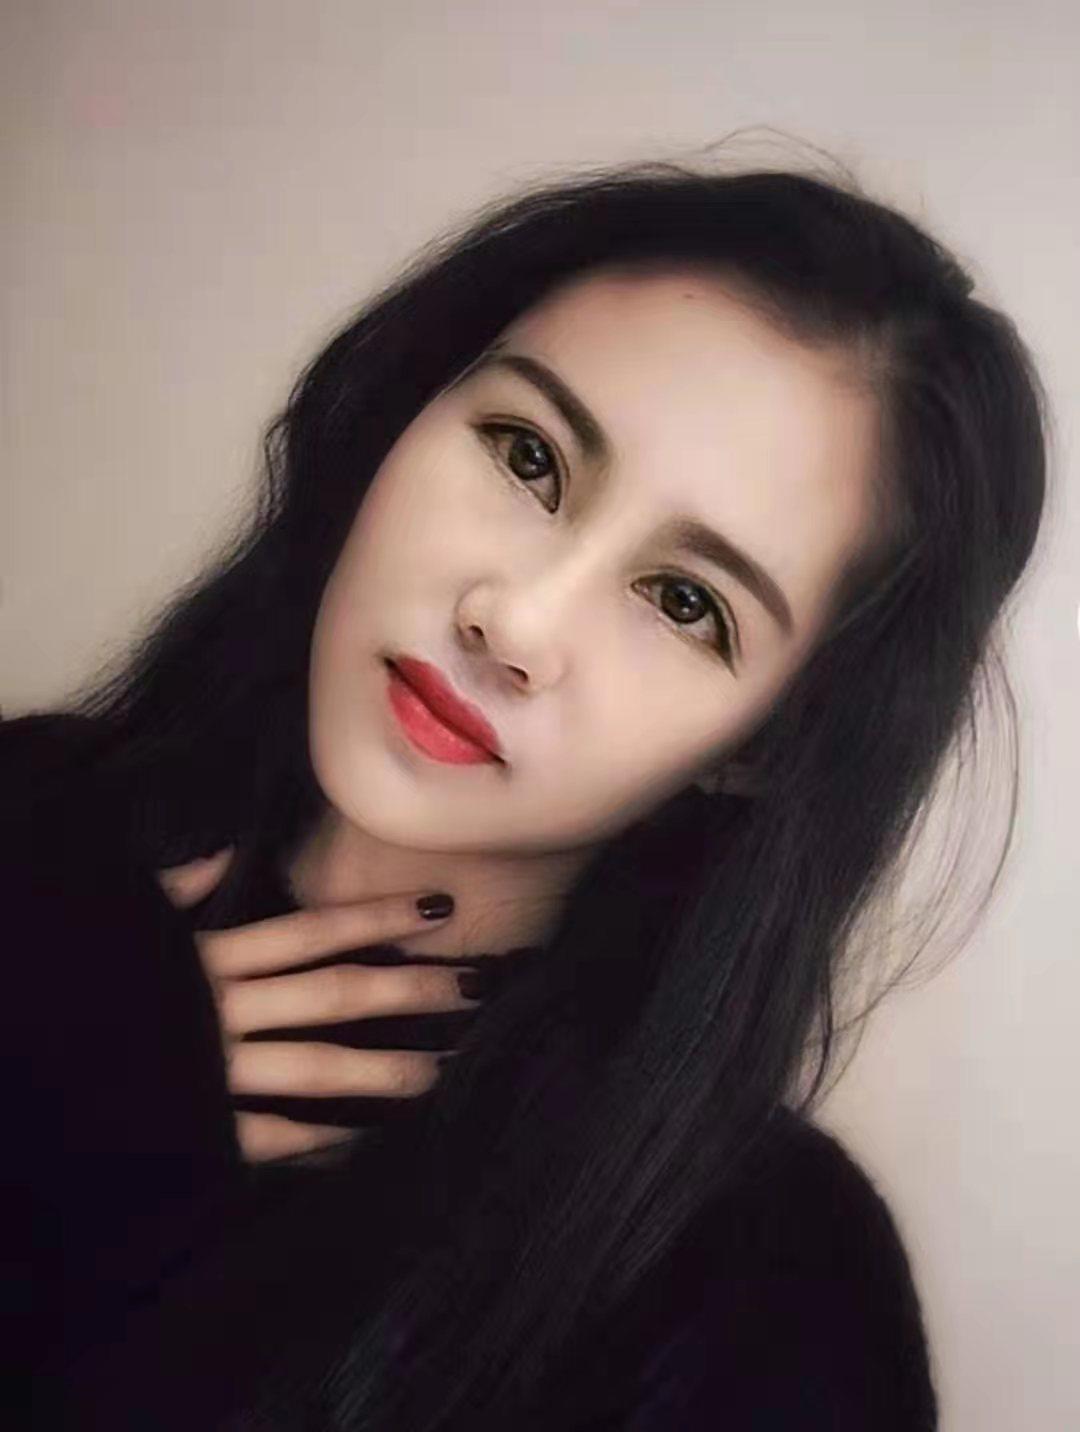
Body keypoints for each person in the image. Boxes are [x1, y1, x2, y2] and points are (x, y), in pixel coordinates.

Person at [1, 154, 1048, 1430]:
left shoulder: (761, 1302)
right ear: (399, 415)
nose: (513, 620)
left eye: (686, 603)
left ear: (771, 743)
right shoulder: (28, 830)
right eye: (527, 456)